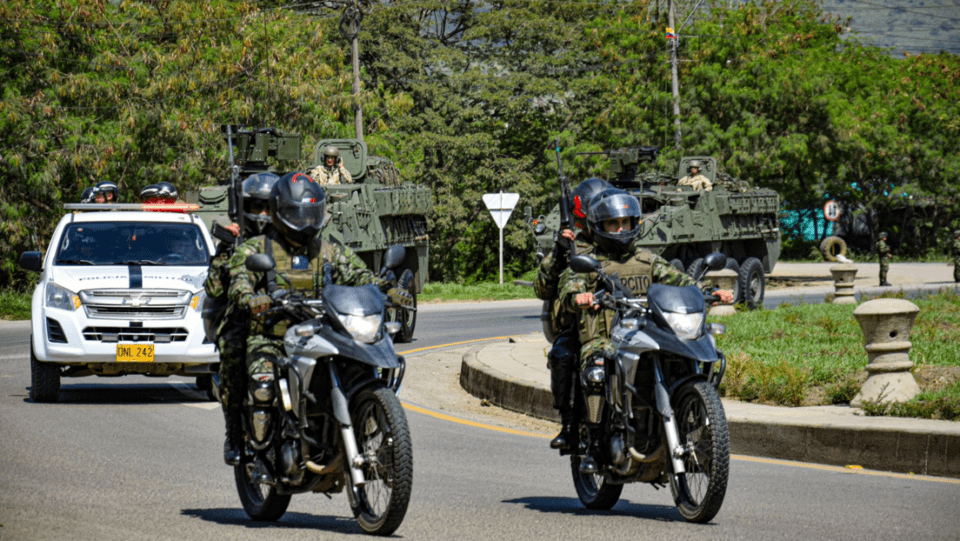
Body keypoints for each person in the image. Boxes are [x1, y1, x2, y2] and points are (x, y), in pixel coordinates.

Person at [220, 172, 412, 473]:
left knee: (360, 366)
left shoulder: (329, 250)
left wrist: (387, 289)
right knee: (262, 383)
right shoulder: (256, 248)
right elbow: (240, 280)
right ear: (281, 212)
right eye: (299, 213)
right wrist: (251, 298)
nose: (305, 220)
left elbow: (361, 277)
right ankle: (246, 443)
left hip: (320, 333)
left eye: (311, 212)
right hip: (271, 334)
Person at [557, 188, 732, 473]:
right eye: (613, 224)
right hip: (606, 338)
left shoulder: (648, 260)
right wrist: (580, 296)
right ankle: (595, 447)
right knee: (597, 370)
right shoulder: (589, 263)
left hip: (645, 334)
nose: (620, 229)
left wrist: (708, 291)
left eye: (626, 223)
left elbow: (680, 281)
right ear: (599, 227)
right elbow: (570, 285)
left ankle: (695, 429)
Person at [205, 172, 279, 465]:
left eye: (267, 208)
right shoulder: (236, 243)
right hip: (243, 321)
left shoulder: (290, 239)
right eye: (257, 207)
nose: (262, 215)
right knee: (233, 358)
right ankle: (234, 435)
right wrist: (225, 250)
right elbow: (213, 289)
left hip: (285, 318)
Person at [534, 177, 612, 451]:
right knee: (562, 355)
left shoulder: (619, 240)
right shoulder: (571, 246)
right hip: (578, 326)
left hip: (622, 323)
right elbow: (543, 288)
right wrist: (559, 252)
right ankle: (568, 424)